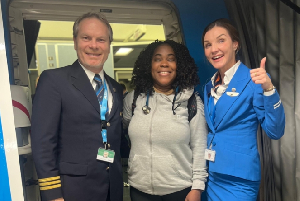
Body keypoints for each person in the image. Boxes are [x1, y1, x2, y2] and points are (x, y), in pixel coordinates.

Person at [31, 12, 123, 201]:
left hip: (112, 189)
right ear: (75, 42)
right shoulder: (54, 80)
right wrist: (52, 194)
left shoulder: (115, 87)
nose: (94, 45)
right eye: (86, 38)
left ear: (108, 45)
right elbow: (43, 143)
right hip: (72, 190)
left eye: (101, 39)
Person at [201, 18, 285, 201]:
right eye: (208, 45)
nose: (214, 49)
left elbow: (275, 131)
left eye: (221, 40)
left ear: (235, 44)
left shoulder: (254, 80)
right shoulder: (208, 86)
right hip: (213, 175)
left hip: (239, 178)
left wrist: (269, 89)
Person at [123, 40, 208, 201]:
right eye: (157, 59)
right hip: (140, 190)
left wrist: (197, 187)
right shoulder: (133, 99)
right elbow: (124, 130)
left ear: (180, 65)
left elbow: (199, 147)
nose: (164, 64)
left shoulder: (191, 102)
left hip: (180, 190)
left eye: (170, 59)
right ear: (149, 65)